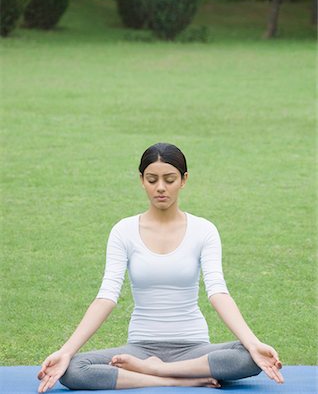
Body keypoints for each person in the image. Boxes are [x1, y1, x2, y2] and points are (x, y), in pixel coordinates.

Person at [37, 143, 284, 392]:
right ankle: (169, 377)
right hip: (140, 349)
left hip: (193, 349)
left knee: (251, 357)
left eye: (169, 179)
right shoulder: (124, 230)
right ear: (141, 180)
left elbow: (218, 291)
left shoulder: (204, 230)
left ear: (184, 180)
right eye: (152, 179)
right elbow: (106, 296)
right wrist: (66, 351)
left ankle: (159, 371)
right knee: (72, 370)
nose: (161, 188)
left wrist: (252, 343)